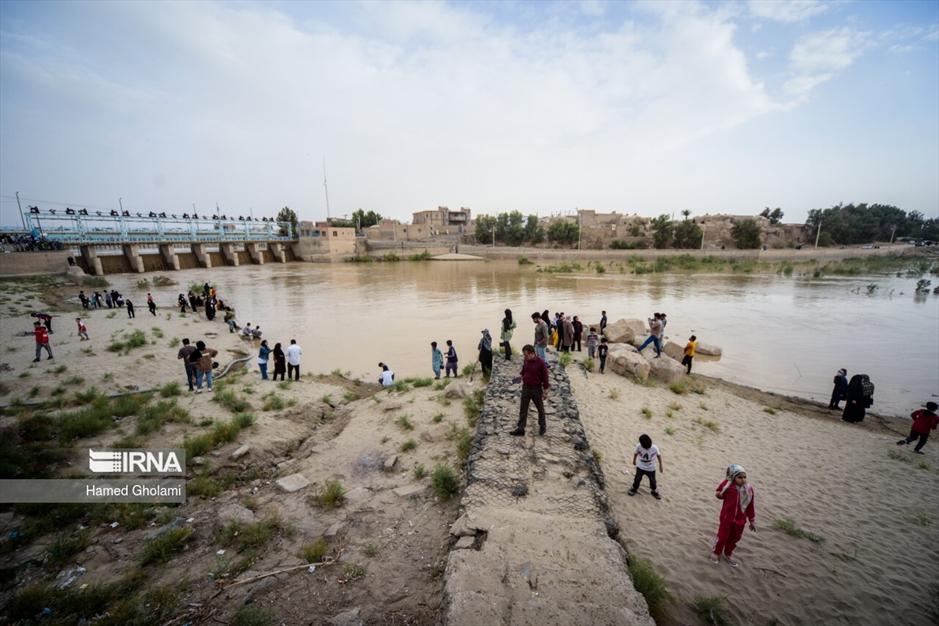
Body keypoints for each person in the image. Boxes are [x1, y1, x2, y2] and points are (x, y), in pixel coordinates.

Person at [709, 464, 756, 567]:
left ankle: (728, 553)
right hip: (727, 518)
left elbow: (750, 505)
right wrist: (719, 495)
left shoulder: (749, 490)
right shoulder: (728, 486)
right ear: (733, 477)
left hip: (741, 521)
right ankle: (716, 552)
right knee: (722, 537)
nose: (743, 480)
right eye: (740, 477)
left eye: (744, 477)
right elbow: (720, 493)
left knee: (735, 539)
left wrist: (752, 520)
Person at [509, 344, 550, 436]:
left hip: (536, 389)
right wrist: (520, 375)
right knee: (523, 409)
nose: (525, 357)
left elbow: (546, 378)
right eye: (524, 355)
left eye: (526, 355)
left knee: (540, 408)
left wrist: (545, 391)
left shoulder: (541, 363)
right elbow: (524, 370)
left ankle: (542, 425)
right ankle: (521, 429)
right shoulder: (526, 360)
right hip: (526, 388)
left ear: (532, 354)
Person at [628, 434, 663, 499]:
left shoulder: (654, 447)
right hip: (641, 466)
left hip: (651, 468)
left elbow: (659, 455)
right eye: (646, 448)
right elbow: (636, 453)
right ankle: (634, 488)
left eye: (649, 447)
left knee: (653, 481)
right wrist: (634, 460)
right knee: (637, 479)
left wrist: (660, 465)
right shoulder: (638, 446)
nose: (648, 449)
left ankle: (654, 490)